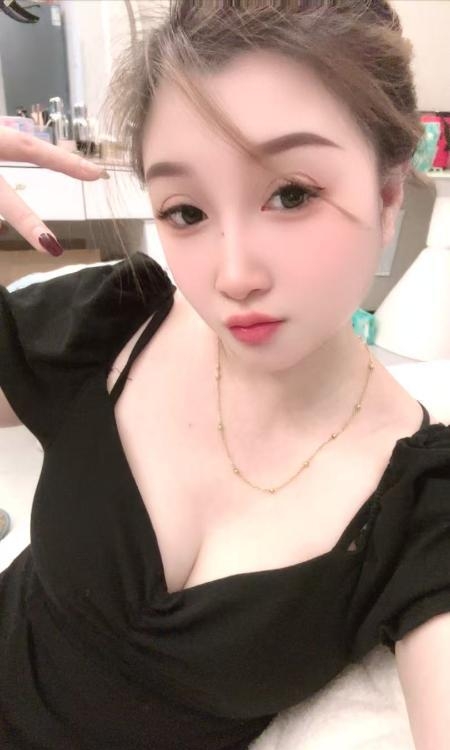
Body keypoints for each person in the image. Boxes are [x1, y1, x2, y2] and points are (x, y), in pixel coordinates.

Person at [0, 1, 449, 749]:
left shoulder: (423, 501)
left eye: (292, 194)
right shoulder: (114, 322)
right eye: (185, 212)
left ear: (388, 195)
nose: (234, 276)